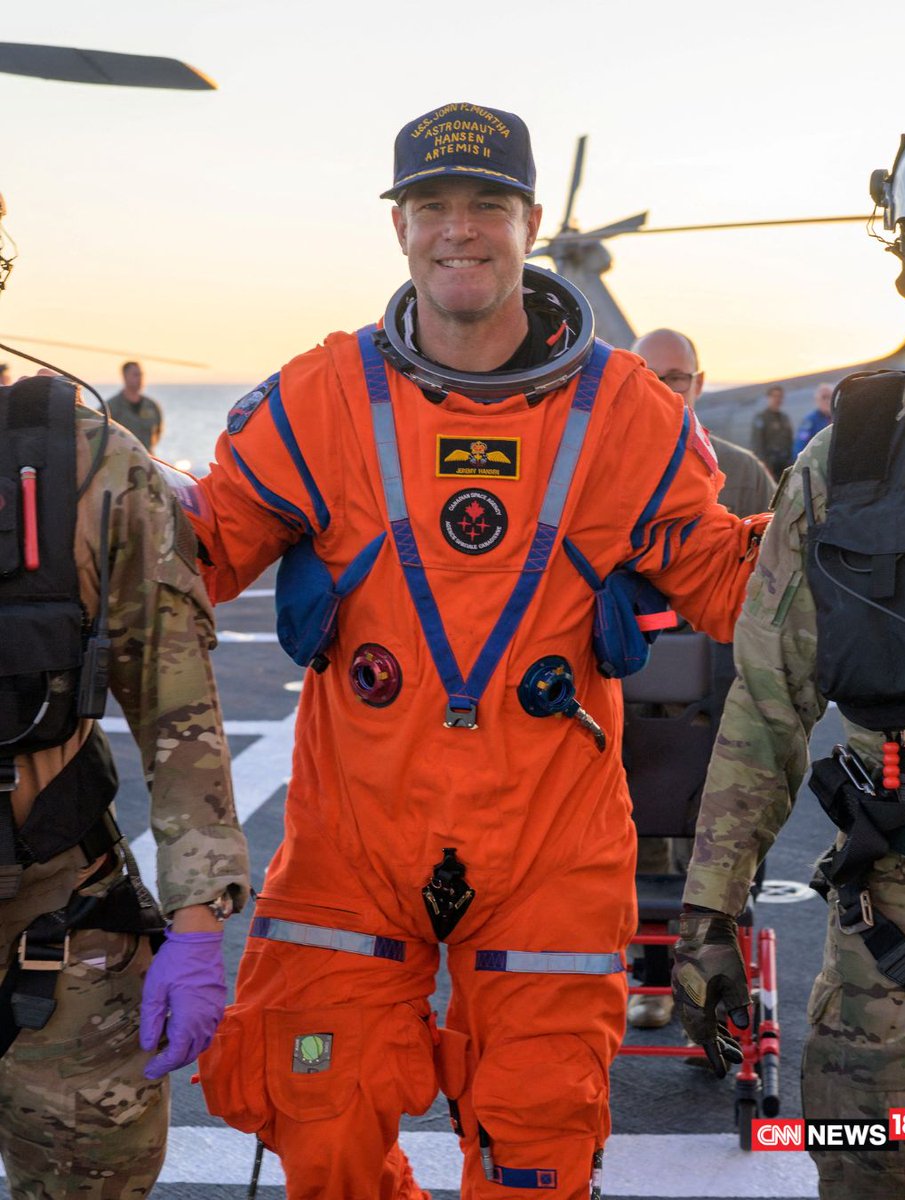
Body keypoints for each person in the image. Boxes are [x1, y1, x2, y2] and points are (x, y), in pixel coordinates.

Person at [179, 102, 769, 1200]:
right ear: (398, 226)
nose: (462, 229)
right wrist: (82, 487)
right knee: (323, 1125)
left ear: (532, 221)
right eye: (434, 205)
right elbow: (192, 556)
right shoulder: (323, 400)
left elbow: (735, 588)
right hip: (350, 858)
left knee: (538, 1144)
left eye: (487, 205)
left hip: (548, 855)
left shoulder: (628, 414)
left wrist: (853, 530)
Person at [673, 99, 905, 1200]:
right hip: (898, 949)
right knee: (867, 1169)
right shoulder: (847, 460)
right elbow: (765, 697)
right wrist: (709, 916)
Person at [0, 194, 249, 1197]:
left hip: (50, 919)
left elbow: (177, 704)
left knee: (92, 1174)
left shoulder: (89, 464)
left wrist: (195, 925)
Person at [625, 328, 774, 1028]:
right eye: (649, 377)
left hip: (720, 699)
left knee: (724, 851)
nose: (664, 390)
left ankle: (714, 990)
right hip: (630, 703)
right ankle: (654, 979)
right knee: (636, 848)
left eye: (676, 378)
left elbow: (767, 595)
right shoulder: (604, 476)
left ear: (700, 384)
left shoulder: (743, 475)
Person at [107, 360, 163, 451]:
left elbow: (158, 433)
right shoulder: (111, 407)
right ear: (125, 377)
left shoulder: (152, 406)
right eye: (135, 375)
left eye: (141, 375)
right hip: (123, 461)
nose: (140, 378)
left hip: (148, 460)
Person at [750, 383, 793, 478]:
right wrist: (764, 465)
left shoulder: (784, 418)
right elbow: (758, 444)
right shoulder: (762, 418)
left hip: (785, 463)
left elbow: (790, 441)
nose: (778, 399)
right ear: (768, 398)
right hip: (770, 464)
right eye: (775, 396)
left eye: (780, 396)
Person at [792, 381, 833, 458]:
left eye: (830, 397)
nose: (827, 401)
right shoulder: (809, 421)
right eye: (824, 397)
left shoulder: (837, 418)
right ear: (817, 400)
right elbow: (800, 447)